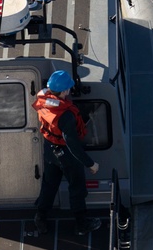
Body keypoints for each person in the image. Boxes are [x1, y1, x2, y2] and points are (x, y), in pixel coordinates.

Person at [31, 70, 102, 236]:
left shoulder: (44, 99)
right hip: (67, 155)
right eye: (68, 88)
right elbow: (72, 144)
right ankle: (81, 223)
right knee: (77, 188)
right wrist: (90, 163)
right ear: (63, 91)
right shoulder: (66, 116)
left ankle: (40, 217)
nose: (70, 91)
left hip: (50, 150)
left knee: (49, 186)